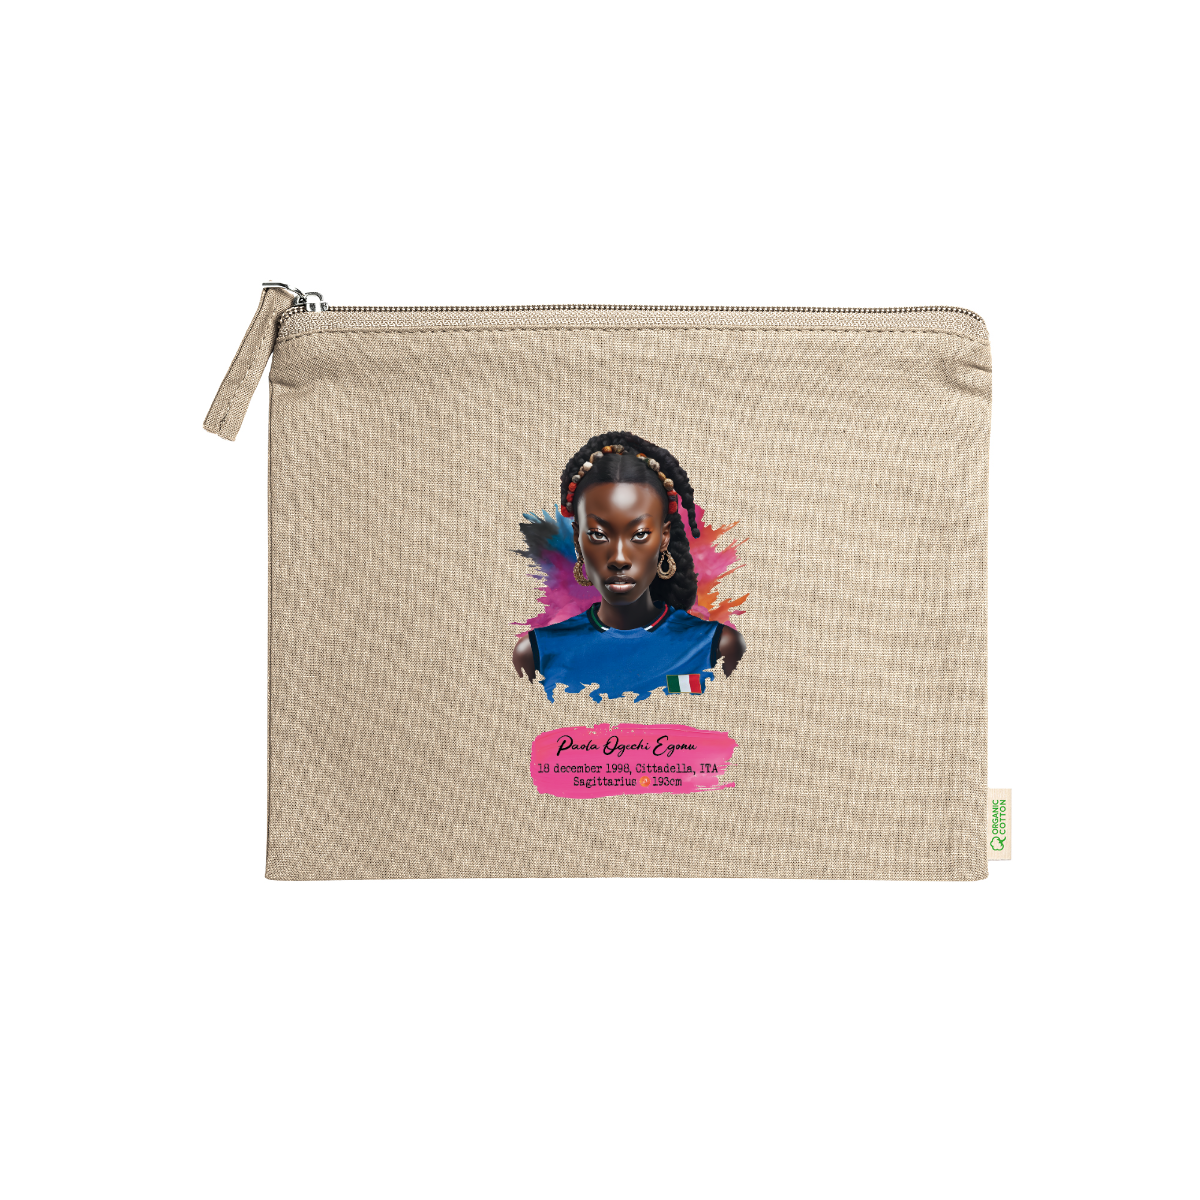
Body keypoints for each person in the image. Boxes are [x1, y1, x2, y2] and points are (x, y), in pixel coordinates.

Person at [513, 431, 746, 702]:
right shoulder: (537, 654)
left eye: (640, 534)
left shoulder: (717, 649)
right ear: (578, 538)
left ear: (664, 537)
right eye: (598, 534)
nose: (619, 558)